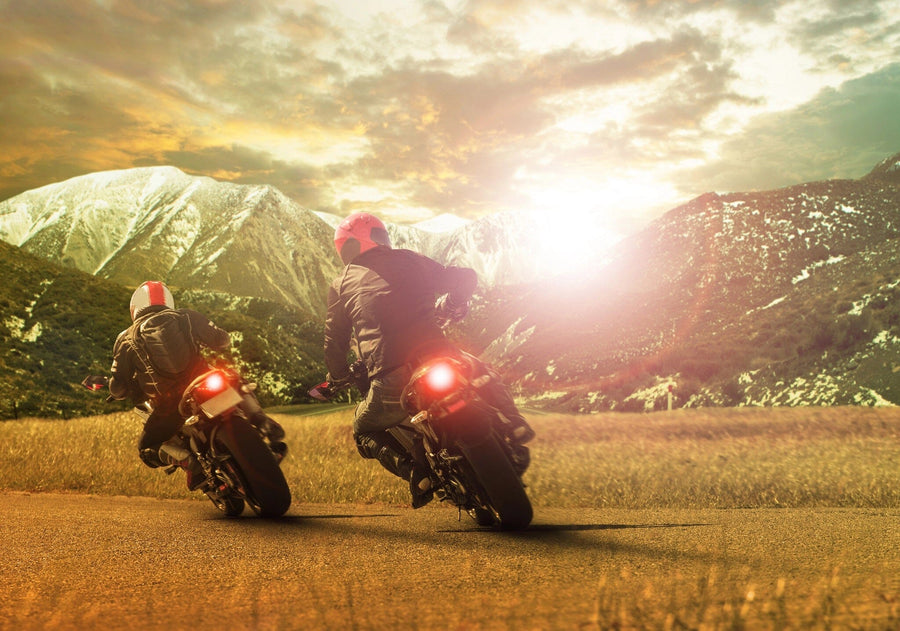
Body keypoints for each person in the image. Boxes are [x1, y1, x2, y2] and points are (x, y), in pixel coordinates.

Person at [323, 211, 534, 508]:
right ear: (381, 237)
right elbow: (464, 277)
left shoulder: (341, 284)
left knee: (363, 429)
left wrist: (339, 377)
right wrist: (457, 303)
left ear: (344, 249)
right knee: (481, 370)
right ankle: (513, 423)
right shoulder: (409, 259)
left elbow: (334, 340)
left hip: (389, 373)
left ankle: (416, 472)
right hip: (438, 353)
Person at [100, 281, 286, 489]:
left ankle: (187, 461)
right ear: (167, 301)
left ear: (135, 308)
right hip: (205, 383)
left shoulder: (125, 338)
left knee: (147, 448)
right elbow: (222, 340)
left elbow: (118, 389)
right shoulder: (186, 315)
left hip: (172, 404)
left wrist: (122, 385)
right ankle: (261, 421)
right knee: (233, 378)